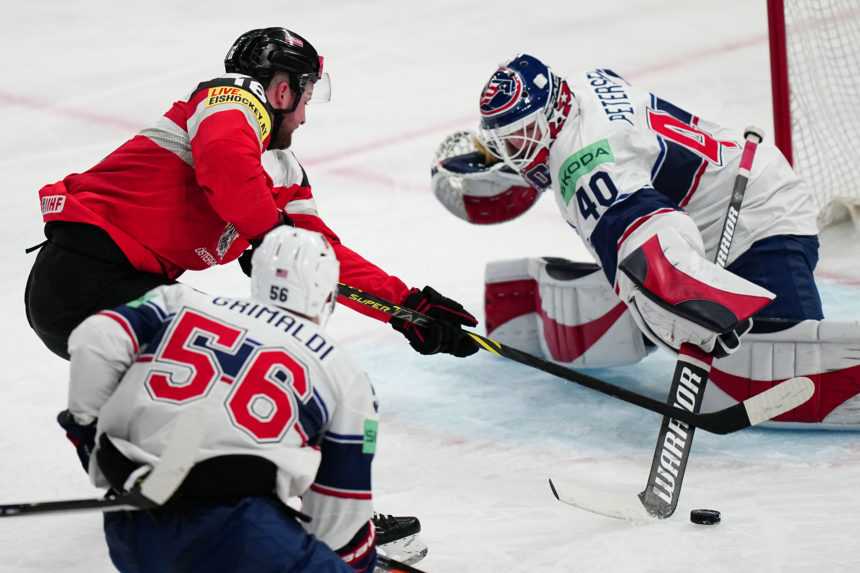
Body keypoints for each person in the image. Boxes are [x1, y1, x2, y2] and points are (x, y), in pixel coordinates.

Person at [429, 54, 860, 427]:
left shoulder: (586, 168)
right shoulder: (583, 85)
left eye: (519, 137)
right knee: (633, 265)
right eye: (502, 142)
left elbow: (650, 246)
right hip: (727, 179)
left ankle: (674, 296)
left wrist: (706, 313)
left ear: (551, 115)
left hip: (761, 219)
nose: (512, 152)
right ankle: (639, 299)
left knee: (785, 379)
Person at [26, 26, 478, 362]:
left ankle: (154, 474)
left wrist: (407, 308)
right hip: (81, 280)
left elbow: (318, 255)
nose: (304, 116)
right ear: (283, 90)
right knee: (243, 364)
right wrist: (268, 236)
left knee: (243, 364)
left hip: (129, 289)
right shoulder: (231, 99)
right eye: (307, 97)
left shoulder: (278, 169)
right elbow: (225, 164)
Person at [57, 226, 425, 572]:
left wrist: (89, 435)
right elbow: (339, 513)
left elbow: (94, 338)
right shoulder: (344, 374)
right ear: (327, 296)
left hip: (131, 527)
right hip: (238, 533)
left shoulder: (179, 301)